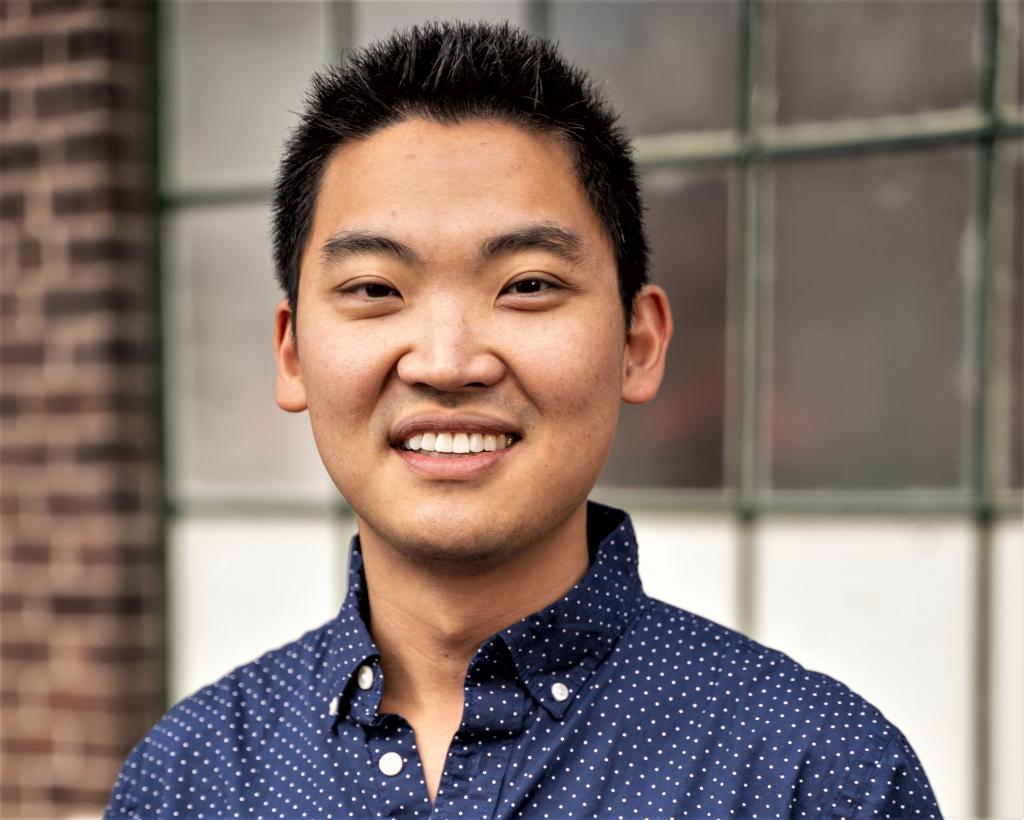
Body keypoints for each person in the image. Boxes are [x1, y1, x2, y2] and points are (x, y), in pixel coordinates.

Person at [106, 21, 940, 819]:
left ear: (637, 342)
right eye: (374, 290)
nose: (446, 361)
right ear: (292, 355)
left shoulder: (817, 777)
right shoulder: (187, 778)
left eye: (528, 285)